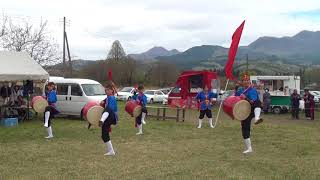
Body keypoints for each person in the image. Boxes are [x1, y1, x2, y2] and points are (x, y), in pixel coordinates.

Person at [240, 80, 263, 154]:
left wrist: (245, 98)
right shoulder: (241, 90)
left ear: (250, 84)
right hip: (245, 111)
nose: (246, 83)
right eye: (245, 82)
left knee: (257, 102)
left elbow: (252, 101)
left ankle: (257, 118)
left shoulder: (252, 90)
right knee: (244, 128)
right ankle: (249, 148)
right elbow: (235, 97)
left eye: (247, 82)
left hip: (253, 108)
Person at [99, 82, 118, 156]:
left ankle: (102, 120)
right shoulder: (107, 98)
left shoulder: (112, 98)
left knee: (108, 108)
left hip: (112, 117)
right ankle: (111, 151)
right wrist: (102, 102)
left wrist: (104, 103)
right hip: (108, 117)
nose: (106, 91)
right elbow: (104, 103)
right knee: (104, 135)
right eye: (105, 90)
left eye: (107, 90)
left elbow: (111, 109)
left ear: (111, 90)